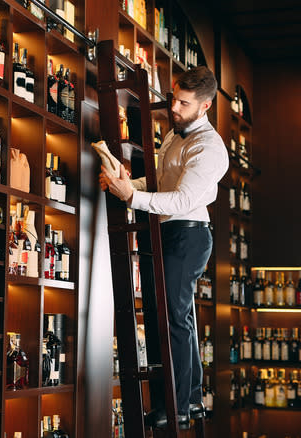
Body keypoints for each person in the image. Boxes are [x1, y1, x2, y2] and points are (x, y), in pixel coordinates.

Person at [99, 66, 228, 429]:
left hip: (188, 234)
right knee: (172, 316)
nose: (174, 107)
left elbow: (182, 199)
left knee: (172, 317)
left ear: (204, 107)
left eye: (184, 103)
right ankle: (187, 399)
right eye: (173, 98)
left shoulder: (208, 148)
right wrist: (124, 182)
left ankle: (180, 405)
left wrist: (133, 197)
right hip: (168, 233)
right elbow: (160, 178)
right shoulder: (175, 133)